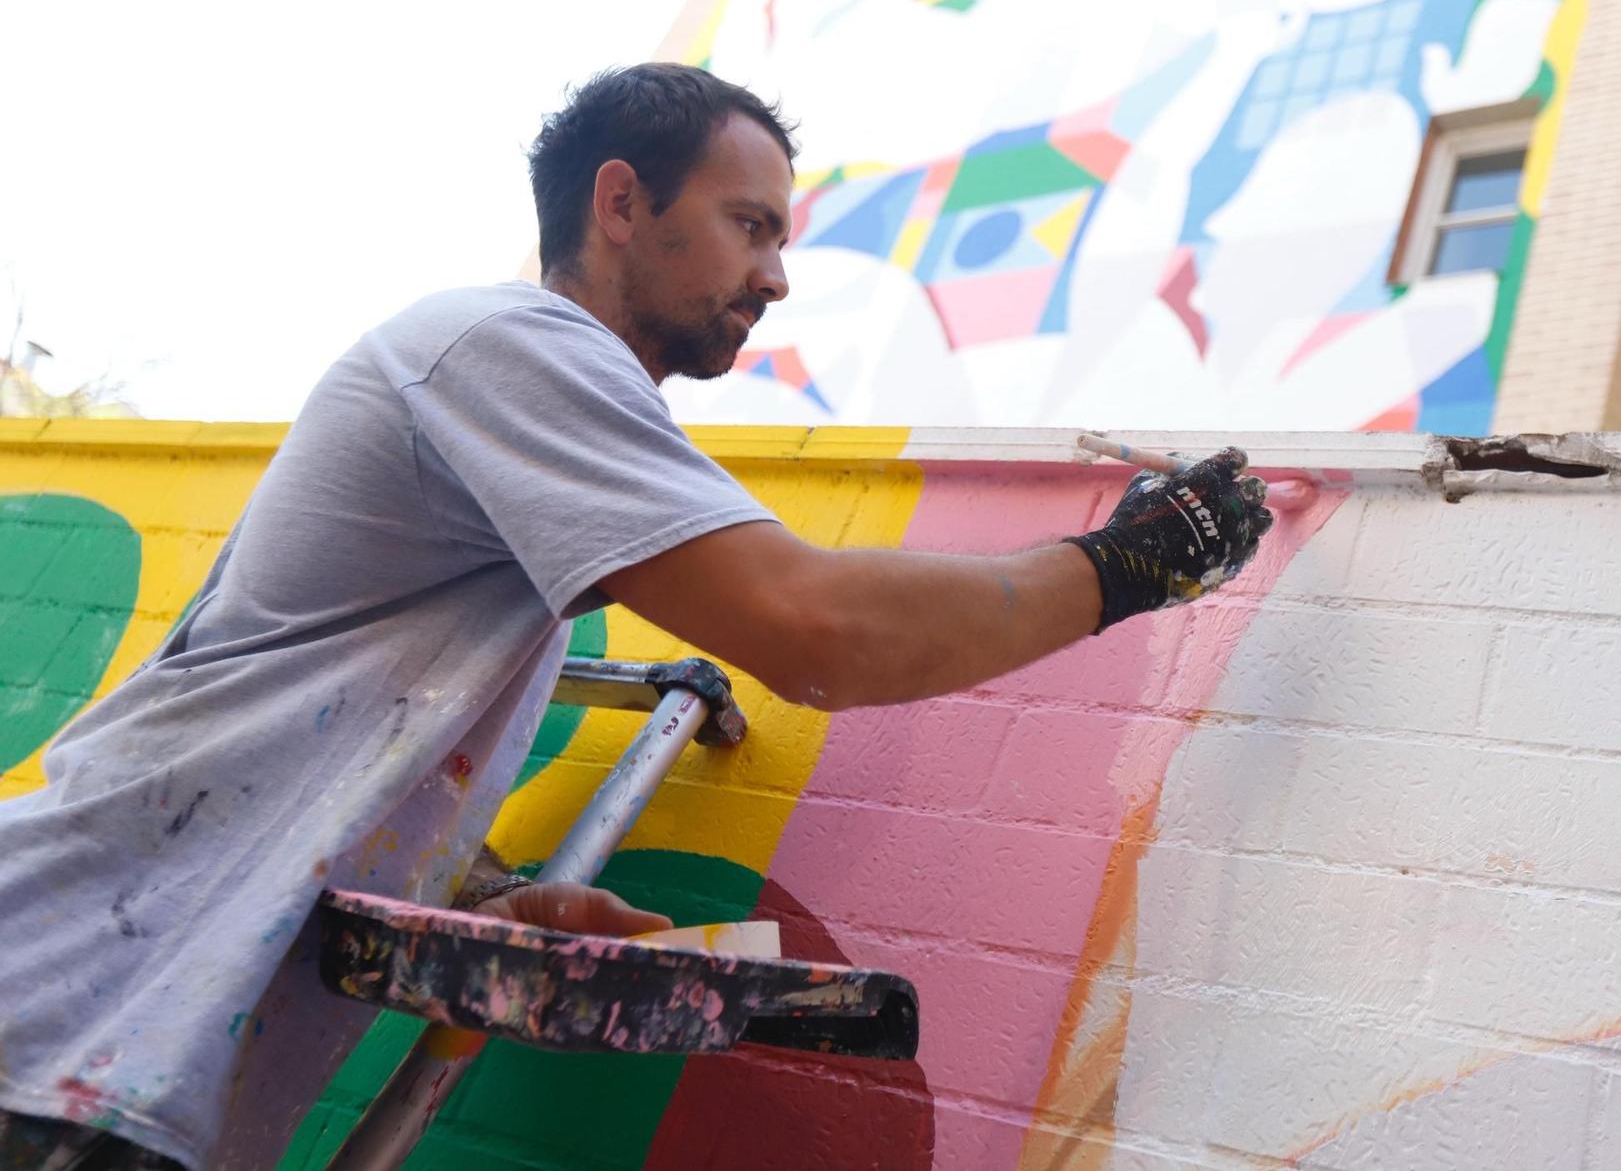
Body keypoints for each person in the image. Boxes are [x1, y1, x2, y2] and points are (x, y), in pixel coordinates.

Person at [0, 63, 1272, 1169]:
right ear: (619, 203)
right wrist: (1132, 563)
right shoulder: (510, 345)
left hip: (94, 1039)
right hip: (54, 1009)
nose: (775, 277)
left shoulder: (514, 421)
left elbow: (301, 762)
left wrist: (485, 901)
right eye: (747, 225)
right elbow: (815, 630)